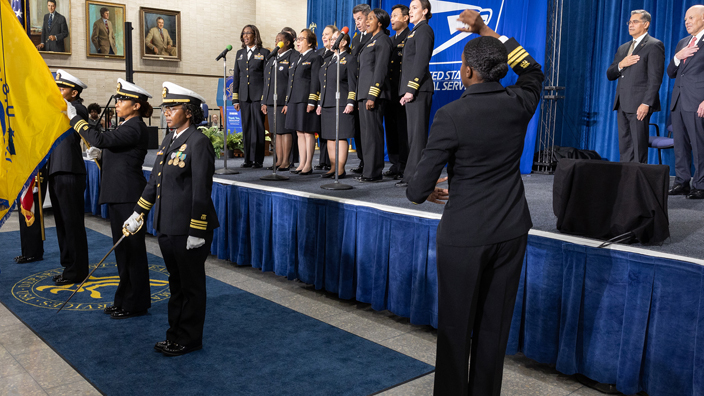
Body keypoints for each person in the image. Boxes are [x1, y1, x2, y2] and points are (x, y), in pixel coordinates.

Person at [406, 10, 543, 395]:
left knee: (455, 327)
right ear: (500, 69)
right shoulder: (520, 102)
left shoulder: (451, 115)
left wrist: (428, 185)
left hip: (464, 235)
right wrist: (486, 31)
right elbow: (533, 70)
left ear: (466, 72)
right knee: (493, 328)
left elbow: (417, 190)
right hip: (512, 230)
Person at [125, 82, 219, 356]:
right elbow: (154, 182)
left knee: (190, 286)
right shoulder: (169, 140)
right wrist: (138, 212)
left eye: (173, 108)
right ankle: (174, 334)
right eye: (165, 108)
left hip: (189, 229)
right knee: (175, 283)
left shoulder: (198, 142)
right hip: (167, 226)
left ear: (188, 112)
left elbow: (202, 188)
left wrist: (197, 229)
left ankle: (189, 338)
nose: (166, 113)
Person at [67, 79, 153, 319]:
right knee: (123, 252)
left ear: (136, 105)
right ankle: (124, 299)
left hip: (128, 196)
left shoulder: (135, 126)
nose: (118, 103)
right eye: (117, 99)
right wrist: (100, 156)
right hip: (119, 193)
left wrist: (76, 120)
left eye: (122, 99)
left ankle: (135, 303)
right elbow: (115, 155)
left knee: (132, 252)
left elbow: (102, 140)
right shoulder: (126, 126)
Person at [606, 10, 664, 164]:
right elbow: (610, 74)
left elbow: (655, 78)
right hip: (622, 103)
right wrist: (621, 64)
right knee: (625, 146)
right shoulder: (623, 48)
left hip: (639, 104)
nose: (631, 25)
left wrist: (646, 103)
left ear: (646, 24)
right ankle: (626, 181)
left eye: (635, 22)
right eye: (629, 22)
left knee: (638, 147)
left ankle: (638, 182)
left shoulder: (654, 45)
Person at [49, 70, 90, 286]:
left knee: (72, 224)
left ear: (74, 92)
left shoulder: (78, 109)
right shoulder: (63, 109)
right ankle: (69, 266)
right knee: (62, 223)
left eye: (61, 89)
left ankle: (77, 270)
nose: (57, 92)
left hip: (70, 172)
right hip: (57, 171)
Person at [397, 0, 435, 188]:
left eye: (414, 8)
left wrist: (411, 89)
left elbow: (421, 61)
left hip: (419, 89)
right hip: (412, 89)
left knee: (418, 135)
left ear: (425, 11)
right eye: (410, 8)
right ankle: (412, 175)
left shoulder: (424, 30)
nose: (410, 11)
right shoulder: (415, 31)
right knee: (412, 135)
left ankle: (415, 177)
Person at [668, 5, 704, 199]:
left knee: (699, 145)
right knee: (680, 144)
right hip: (679, 101)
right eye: (685, 19)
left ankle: (701, 184)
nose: (687, 22)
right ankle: (682, 182)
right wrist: (676, 57)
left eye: (691, 18)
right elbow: (671, 72)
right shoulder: (683, 42)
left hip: (698, 101)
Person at [356, 8, 392, 182]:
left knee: (373, 134)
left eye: (370, 19)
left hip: (373, 95)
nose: (367, 21)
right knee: (366, 135)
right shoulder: (370, 41)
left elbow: (380, 69)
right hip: (363, 94)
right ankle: (368, 171)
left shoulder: (383, 40)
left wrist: (372, 95)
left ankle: (374, 172)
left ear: (380, 22)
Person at [317, 30, 357, 179]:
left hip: (342, 103)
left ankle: (340, 168)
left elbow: (353, 83)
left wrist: (351, 102)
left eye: (335, 38)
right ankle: (332, 167)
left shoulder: (349, 59)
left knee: (340, 137)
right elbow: (323, 84)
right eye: (332, 38)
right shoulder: (329, 60)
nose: (332, 41)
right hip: (327, 102)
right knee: (329, 137)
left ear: (344, 42)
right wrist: (320, 103)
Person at [283, 29, 322, 175]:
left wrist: (312, 101)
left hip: (306, 100)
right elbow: (291, 82)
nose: (298, 42)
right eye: (297, 39)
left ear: (310, 42)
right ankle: (301, 163)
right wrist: (287, 101)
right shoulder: (296, 58)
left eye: (301, 39)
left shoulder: (314, 57)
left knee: (308, 132)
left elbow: (315, 81)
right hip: (294, 100)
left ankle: (308, 164)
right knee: (299, 132)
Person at [232, 25, 269, 168]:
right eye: (243, 33)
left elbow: (267, 78)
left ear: (255, 35)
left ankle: (258, 160)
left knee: (258, 127)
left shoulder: (263, 52)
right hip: (243, 96)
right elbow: (237, 77)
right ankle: (247, 159)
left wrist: (264, 98)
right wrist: (235, 98)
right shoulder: (239, 53)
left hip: (258, 96)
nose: (245, 36)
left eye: (248, 33)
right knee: (246, 127)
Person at [262, 32, 297, 171]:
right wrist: (264, 101)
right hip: (271, 101)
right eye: (276, 40)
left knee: (284, 131)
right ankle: (278, 160)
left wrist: (288, 102)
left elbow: (292, 81)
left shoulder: (293, 56)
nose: (277, 42)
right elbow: (266, 82)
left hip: (283, 100)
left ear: (287, 42)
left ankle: (285, 161)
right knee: (276, 132)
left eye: (280, 40)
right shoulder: (272, 58)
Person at [384, 4, 410, 180]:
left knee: (403, 130)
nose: (391, 20)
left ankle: (405, 164)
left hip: (402, 91)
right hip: (389, 91)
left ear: (406, 18)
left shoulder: (411, 37)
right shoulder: (390, 40)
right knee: (391, 130)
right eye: (391, 17)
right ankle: (395, 163)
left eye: (395, 16)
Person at [350, 4, 373, 174]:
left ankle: (371, 162)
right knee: (357, 129)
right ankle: (362, 160)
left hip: (369, 88)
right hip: (356, 88)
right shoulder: (356, 39)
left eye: (360, 18)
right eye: (355, 20)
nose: (357, 23)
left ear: (368, 17)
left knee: (369, 130)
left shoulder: (376, 36)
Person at [315, 25, 338, 171]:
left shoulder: (337, 54)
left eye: (327, 34)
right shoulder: (320, 53)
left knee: (330, 132)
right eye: (322, 34)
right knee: (321, 130)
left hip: (332, 96)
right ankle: (322, 160)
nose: (324, 37)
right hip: (319, 95)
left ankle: (330, 162)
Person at [15, 166, 47, 264]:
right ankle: (27, 252)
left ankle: (34, 253)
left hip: (34, 177)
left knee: (33, 213)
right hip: (23, 174)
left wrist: (36, 183)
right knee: (23, 213)